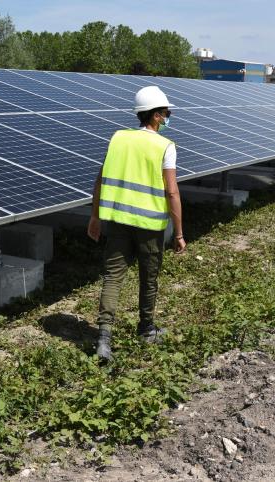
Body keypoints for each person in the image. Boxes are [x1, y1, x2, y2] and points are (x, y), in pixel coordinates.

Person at [87, 85, 186, 362]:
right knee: (148, 278)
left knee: (113, 277)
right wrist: (178, 233)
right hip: (150, 226)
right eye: (165, 113)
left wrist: (95, 216)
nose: (167, 118)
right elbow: (172, 191)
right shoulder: (165, 146)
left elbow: (100, 180)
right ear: (154, 116)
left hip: (117, 221)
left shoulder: (118, 139)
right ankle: (146, 329)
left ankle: (103, 338)